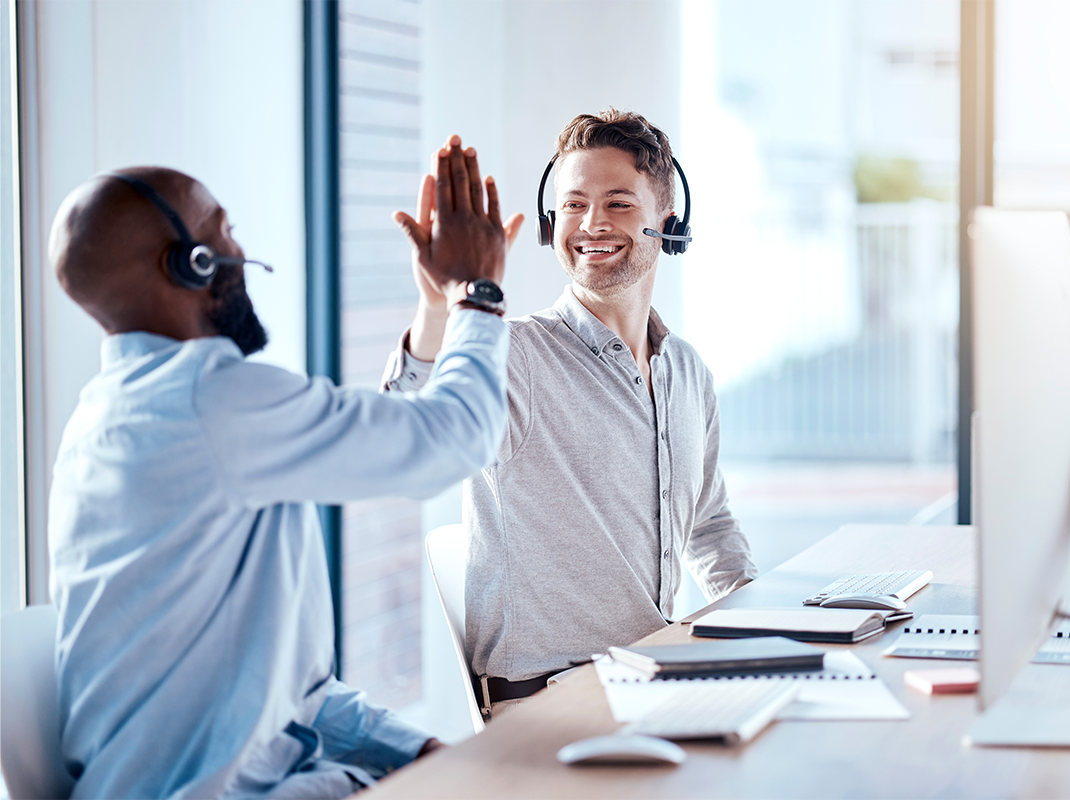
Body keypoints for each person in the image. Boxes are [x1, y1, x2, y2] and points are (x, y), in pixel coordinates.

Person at [47, 137, 521, 798]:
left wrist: (415, 749)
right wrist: (479, 293)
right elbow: (452, 440)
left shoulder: (120, 417)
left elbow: (293, 693)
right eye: (224, 232)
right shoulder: (210, 403)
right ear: (189, 262)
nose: (240, 251)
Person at [383, 110, 757, 717]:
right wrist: (435, 310)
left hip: (658, 689)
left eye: (617, 203)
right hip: (552, 709)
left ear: (668, 220)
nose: (591, 224)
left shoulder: (687, 372)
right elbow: (403, 433)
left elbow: (710, 529)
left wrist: (765, 637)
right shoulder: (514, 355)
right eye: (574, 204)